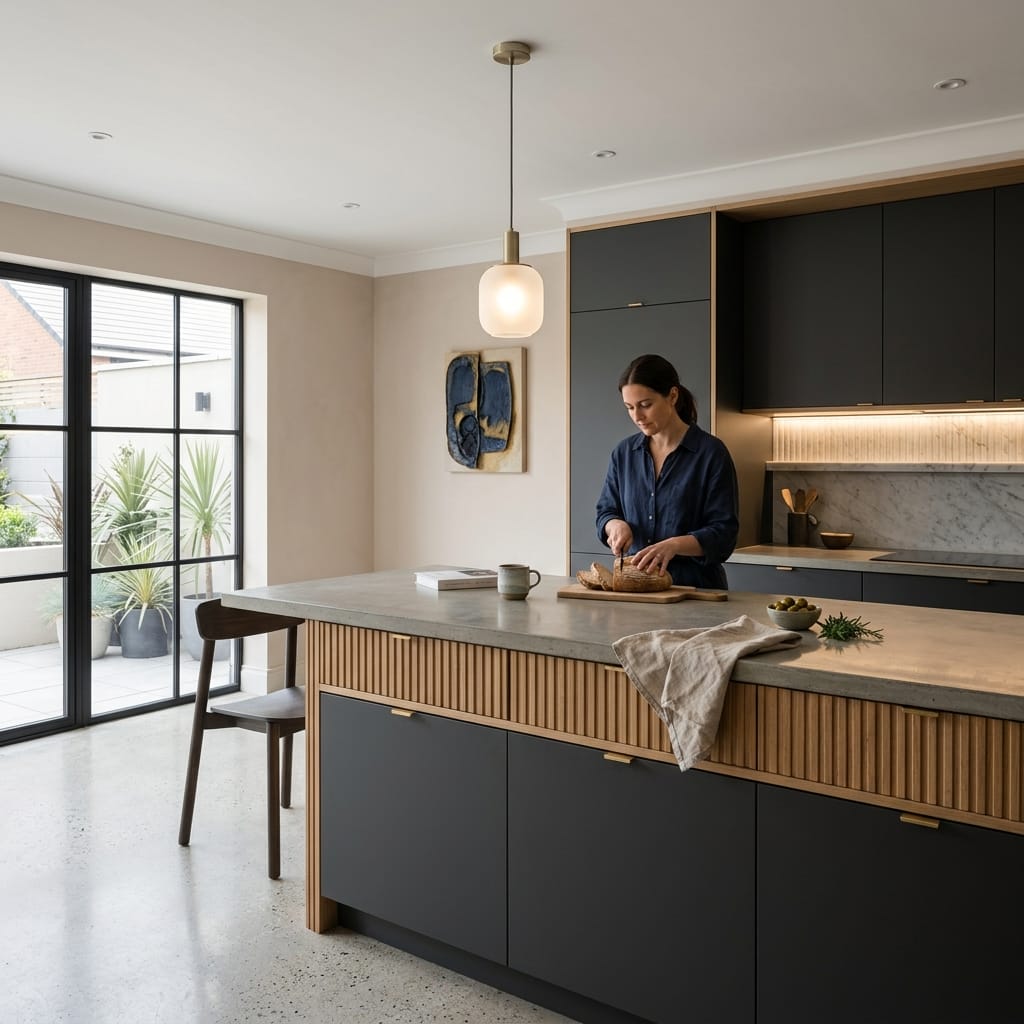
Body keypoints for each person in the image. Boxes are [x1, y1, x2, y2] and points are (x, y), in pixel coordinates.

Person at [595, 353, 739, 590]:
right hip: (637, 591)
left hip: (696, 590)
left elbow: (724, 534)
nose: (637, 416)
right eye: (629, 407)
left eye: (645, 405)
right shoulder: (623, 453)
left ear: (672, 396)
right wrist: (615, 525)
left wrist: (674, 545)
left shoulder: (711, 453)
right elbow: (606, 512)